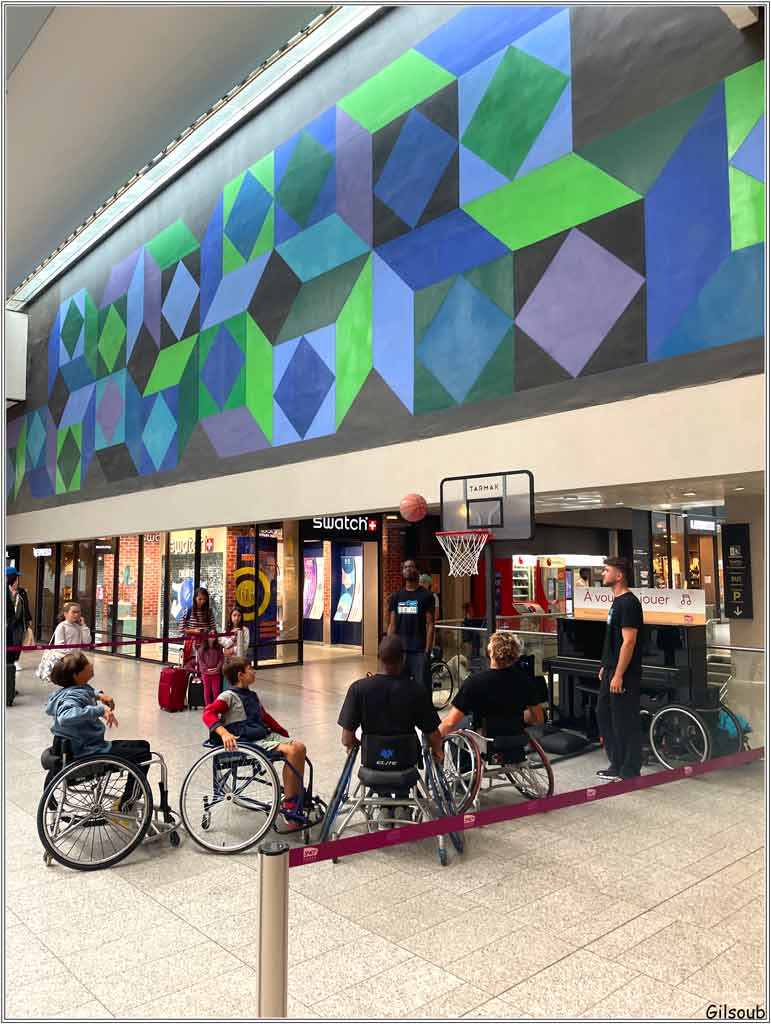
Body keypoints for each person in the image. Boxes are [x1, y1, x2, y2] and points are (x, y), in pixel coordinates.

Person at [203, 656, 308, 828]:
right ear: (240, 675)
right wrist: (224, 733)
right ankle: (289, 803)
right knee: (292, 751)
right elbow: (208, 713)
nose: (254, 671)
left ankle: (295, 794)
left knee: (300, 747)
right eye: (250, 668)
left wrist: (283, 733)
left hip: (261, 735)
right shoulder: (228, 697)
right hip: (247, 741)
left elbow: (265, 717)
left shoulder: (252, 695)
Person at [45, 652, 150, 807]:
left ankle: (128, 800)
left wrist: (99, 695)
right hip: (88, 751)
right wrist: (99, 710)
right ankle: (126, 805)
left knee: (143, 745)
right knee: (143, 754)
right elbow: (65, 716)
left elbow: (87, 691)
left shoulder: (69, 690)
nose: (91, 666)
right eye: (87, 665)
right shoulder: (73, 696)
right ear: (76, 675)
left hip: (78, 748)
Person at [339, 635, 443, 765]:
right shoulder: (416, 691)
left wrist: (360, 745)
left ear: (378, 658)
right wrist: (438, 752)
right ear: (403, 659)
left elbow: (347, 739)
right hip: (406, 765)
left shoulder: (358, 689)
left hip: (372, 764)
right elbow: (434, 735)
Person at [439, 632, 544, 738]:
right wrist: (515, 718)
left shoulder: (474, 682)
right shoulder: (524, 680)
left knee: (458, 725)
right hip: (514, 738)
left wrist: (434, 740)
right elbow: (538, 718)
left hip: (485, 739)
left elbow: (450, 723)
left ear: (490, 652)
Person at [596, 556, 644, 781]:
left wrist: (618, 674)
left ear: (619, 575)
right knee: (604, 713)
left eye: (607, 570)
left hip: (624, 673)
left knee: (625, 719)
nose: (603, 574)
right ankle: (616, 763)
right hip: (611, 669)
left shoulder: (629, 603)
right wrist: (606, 666)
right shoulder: (617, 602)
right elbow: (614, 640)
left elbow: (629, 641)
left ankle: (629, 769)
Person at [387, 559, 434, 691]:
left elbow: (430, 624)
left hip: (419, 651)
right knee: (399, 688)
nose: (408, 569)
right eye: (405, 567)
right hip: (400, 651)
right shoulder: (396, 596)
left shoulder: (426, 596)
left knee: (422, 689)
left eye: (411, 566)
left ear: (417, 571)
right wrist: (389, 647)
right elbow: (392, 624)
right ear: (402, 572)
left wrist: (427, 651)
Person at [181, 587, 216, 668]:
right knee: (190, 664)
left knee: (204, 665)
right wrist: (193, 631)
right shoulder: (189, 611)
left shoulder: (209, 611)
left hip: (205, 643)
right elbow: (181, 628)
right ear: (195, 598)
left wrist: (210, 632)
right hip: (191, 643)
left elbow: (213, 627)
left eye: (204, 599)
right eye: (200, 599)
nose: (202, 601)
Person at [6, 567, 31, 671]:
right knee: (7, 641)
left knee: (18, 642)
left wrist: (29, 619)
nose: (17, 581)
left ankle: (15, 661)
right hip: (7, 622)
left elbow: (26, 606)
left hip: (19, 622)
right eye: (16, 578)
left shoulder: (22, 591)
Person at [198, 630, 224, 704]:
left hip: (216, 673)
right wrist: (206, 669)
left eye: (214, 633)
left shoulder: (219, 647)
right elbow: (200, 660)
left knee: (216, 691)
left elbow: (221, 659)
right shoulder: (202, 648)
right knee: (207, 691)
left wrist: (217, 669)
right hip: (205, 673)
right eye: (210, 633)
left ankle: (215, 707)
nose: (212, 635)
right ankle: (208, 707)